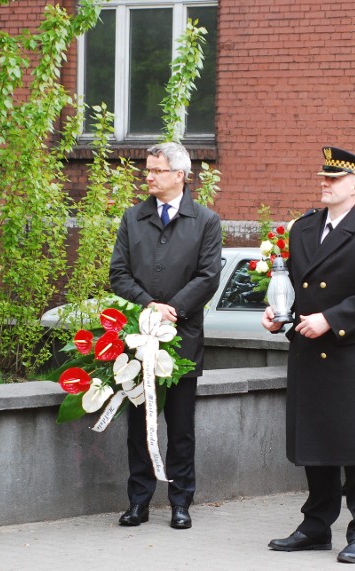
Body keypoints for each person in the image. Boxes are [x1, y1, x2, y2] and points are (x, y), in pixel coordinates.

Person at [263, 146, 355, 564]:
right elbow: (292, 282)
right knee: (316, 442)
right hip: (309, 349)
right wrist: (277, 315)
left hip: (349, 352)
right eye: (323, 177)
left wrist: (330, 319)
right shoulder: (303, 228)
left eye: (334, 179)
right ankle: (316, 524)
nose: (324, 183)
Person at [109, 142, 222, 530]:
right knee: (140, 425)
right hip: (139, 339)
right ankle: (137, 501)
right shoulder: (133, 217)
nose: (149, 176)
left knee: (181, 428)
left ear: (180, 175)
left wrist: (172, 309)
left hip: (183, 339)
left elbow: (208, 277)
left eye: (157, 170)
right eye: (148, 169)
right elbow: (118, 273)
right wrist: (148, 305)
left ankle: (180, 502)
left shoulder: (205, 220)